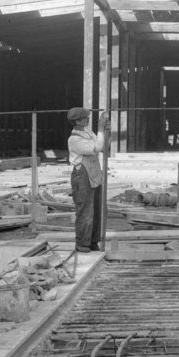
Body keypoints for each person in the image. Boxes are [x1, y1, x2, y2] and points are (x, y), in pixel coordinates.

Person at [67, 106, 107, 253]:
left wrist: (104, 132)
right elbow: (98, 147)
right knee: (85, 211)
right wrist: (101, 129)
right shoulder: (74, 139)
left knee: (96, 210)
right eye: (85, 117)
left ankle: (93, 241)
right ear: (77, 121)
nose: (88, 119)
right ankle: (82, 243)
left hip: (94, 173)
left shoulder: (88, 133)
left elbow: (102, 145)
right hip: (82, 176)